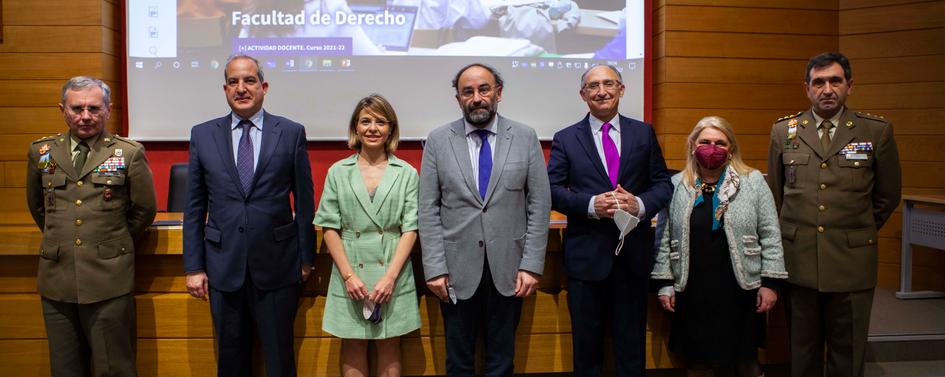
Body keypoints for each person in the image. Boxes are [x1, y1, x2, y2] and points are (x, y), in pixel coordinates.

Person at [767, 52, 901, 377]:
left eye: (835, 81)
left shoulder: (875, 132)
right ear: (807, 88)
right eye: (819, 82)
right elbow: (777, 197)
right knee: (803, 353)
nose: (827, 89)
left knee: (848, 353)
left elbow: (887, 196)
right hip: (800, 262)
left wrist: (855, 231)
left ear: (849, 86)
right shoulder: (784, 132)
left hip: (851, 263)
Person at [183, 54, 315, 377]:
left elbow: (305, 199)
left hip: (278, 265)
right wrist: (194, 266)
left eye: (249, 81)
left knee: (280, 361)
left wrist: (306, 257)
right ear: (225, 89)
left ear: (264, 86)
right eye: (233, 82)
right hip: (222, 266)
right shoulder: (202, 134)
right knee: (230, 362)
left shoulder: (291, 132)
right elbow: (194, 206)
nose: (241, 88)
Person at [418, 63, 551, 376]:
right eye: (468, 92)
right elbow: (428, 208)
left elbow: (539, 204)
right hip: (454, 271)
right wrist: (435, 268)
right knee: (458, 362)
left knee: (501, 362)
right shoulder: (438, 140)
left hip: (510, 270)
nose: (476, 98)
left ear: (498, 93)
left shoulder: (524, 136)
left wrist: (531, 265)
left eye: (484, 89)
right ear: (459, 99)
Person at [26, 76, 157, 376]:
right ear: (63, 110)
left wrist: (110, 240)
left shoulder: (128, 153)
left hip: (108, 276)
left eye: (94, 108)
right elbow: (38, 207)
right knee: (65, 368)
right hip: (57, 278)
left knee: (114, 368)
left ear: (108, 110)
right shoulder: (41, 152)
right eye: (77, 108)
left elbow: (144, 210)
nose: (85, 116)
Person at [546, 64, 672, 377]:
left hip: (633, 259)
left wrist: (640, 204)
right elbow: (552, 190)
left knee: (631, 351)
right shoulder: (566, 138)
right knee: (587, 351)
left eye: (609, 84)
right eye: (593, 86)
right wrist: (591, 205)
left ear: (621, 89)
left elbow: (663, 184)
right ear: (583, 95)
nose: (602, 91)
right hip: (586, 260)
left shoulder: (643, 133)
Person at [651, 116, 787, 377]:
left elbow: (770, 233)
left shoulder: (753, 181)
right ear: (693, 146)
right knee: (698, 361)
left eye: (720, 143)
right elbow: (664, 236)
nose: (712, 148)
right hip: (692, 290)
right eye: (705, 142)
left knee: (746, 361)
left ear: (731, 148)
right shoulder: (676, 185)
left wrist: (770, 283)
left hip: (740, 287)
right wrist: (664, 283)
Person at [313, 94, 421, 377]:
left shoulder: (407, 173)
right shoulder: (338, 171)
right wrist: (349, 276)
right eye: (365, 121)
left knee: (390, 344)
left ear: (390, 129)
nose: (372, 128)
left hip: (392, 272)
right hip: (351, 273)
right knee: (353, 344)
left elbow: (410, 228)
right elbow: (329, 227)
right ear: (355, 128)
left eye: (380, 122)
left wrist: (390, 277)